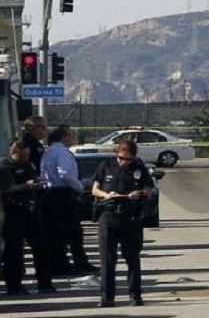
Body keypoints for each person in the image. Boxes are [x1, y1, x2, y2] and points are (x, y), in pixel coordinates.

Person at [91, 140, 150, 307]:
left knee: (132, 258)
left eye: (128, 159)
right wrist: (106, 195)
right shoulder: (106, 165)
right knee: (107, 260)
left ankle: (135, 295)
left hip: (130, 217)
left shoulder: (139, 168)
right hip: (108, 216)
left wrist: (138, 193)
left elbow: (148, 189)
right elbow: (95, 189)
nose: (124, 162)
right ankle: (107, 298)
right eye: (121, 158)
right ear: (116, 154)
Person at [40, 125, 97, 275]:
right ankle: (74, 263)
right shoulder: (62, 153)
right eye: (70, 135)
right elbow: (66, 174)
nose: (72, 138)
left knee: (58, 231)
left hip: (50, 194)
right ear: (63, 137)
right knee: (73, 231)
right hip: (62, 194)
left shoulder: (48, 152)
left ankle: (64, 263)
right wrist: (79, 187)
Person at [1, 140, 55, 295]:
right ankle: (14, 286)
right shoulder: (5, 166)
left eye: (27, 155)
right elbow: (4, 189)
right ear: (13, 152)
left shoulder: (28, 165)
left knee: (42, 247)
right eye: (22, 155)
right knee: (14, 251)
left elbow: (34, 178)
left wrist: (39, 183)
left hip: (32, 210)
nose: (25, 158)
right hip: (13, 211)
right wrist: (25, 186)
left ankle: (45, 283)